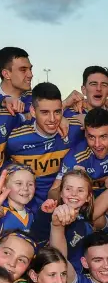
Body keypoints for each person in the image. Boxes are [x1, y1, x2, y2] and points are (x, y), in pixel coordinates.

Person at [6, 82, 85, 210]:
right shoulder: (15, 139)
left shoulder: (75, 129)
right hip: (27, 206)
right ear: (32, 111)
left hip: (64, 205)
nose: (52, 119)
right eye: (45, 112)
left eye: (57, 112)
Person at [31, 169, 107, 273]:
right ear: (61, 193)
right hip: (57, 274)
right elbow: (36, 239)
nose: (74, 193)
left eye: (80, 190)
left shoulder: (86, 220)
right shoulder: (52, 214)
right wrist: (44, 214)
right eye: (68, 189)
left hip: (82, 276)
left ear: (88, 197)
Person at [50, 107, 108, 199]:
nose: (97, 144)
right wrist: (71, 182)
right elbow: (52, 194)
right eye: (91, 137)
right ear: (85, 133)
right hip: (86, 207)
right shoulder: (75, 159)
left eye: (103, 137)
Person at [0, 163, 36, 239]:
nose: (25, 188)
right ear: (4, 187)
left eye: (30, 184)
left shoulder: (33, 215)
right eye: (19, 183)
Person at [0, 46, 33, 113]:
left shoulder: (37, 100)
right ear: (6, 74)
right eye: (23, 70)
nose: (30, 75)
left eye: (30, 69)